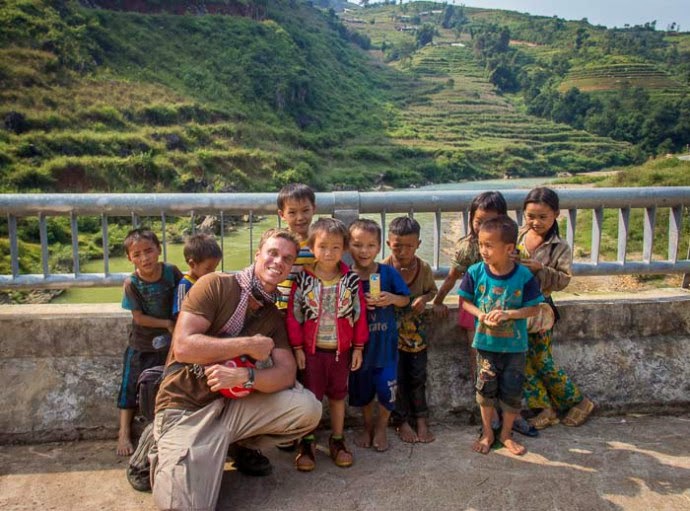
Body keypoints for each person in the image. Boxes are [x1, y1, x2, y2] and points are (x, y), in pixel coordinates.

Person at [150, 228, 322, 511]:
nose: (278, 262)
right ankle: (160, 445)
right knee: (185, 506)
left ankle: (234, 445)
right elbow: (183, 347)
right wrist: (248, 345)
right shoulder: (215, 285)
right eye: (272, 253)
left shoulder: (271, 314)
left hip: (233, 408)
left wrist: (247, 377)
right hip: (187, 407)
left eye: (287, 259)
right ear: (257, 255)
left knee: (308, 409)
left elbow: (286, 373)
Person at [287, 217, 368, 471]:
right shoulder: (303, 279)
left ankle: (337, 439)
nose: (329, 253)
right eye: (322, 246)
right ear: (312, 247)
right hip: (311, 352)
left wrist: (358, 347)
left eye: (335, 247)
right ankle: (307, 441)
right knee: (311, 398)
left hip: (340, 352)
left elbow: (359, 314)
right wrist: (297, 348)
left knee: (337, 396)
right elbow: (294, 315)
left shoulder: (351, 280)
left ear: (344, 249)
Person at [458, 216, 544, 456]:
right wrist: (480, 315)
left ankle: (506, 434)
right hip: (485, 344)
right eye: (481, 244)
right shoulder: (475, 272)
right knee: (485, 391)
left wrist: (509, 314)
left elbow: (534, 308)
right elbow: (465, 302)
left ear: (508, 248)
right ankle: (487, 432)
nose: (483, 250)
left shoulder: (523, 276)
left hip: (515, 347)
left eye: (489, 245)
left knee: (512, 392)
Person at [514, 187, 595, 429]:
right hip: (517, 307)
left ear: (556, 215)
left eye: (543, 217)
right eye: (531, 216)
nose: (536, 222)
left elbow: (563, 280)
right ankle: (544, 409)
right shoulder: (517, 236)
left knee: (542, 360)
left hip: (541, 310)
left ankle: (579, 401)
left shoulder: (559, 246)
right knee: (523, 360)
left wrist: (540, 269)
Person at [117, 228, 182, 456]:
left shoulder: (171, 272)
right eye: (137, 254)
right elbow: (138, 317)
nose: (144, 258)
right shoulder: (132, 283)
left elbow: (184, 295)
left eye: (149, 251)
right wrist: (167, 323)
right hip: (142, 344)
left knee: (168, 383)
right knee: (130, 387)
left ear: (159, 250)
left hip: (170, 343)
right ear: (129, 258)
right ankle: (124, 432)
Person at [348, 219, 410, 452]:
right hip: (358, 350)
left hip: (385, 346)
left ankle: (382, 427)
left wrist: (391, 298)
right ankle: (367, 426)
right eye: (357, 245)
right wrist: (357, 303)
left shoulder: (387, 273)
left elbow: (405, 299)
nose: (364, 251)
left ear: (379, 247)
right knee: (363, 392)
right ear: (347, 246)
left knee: (386, 389)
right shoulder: (346, 276)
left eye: (370, 245)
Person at [432, 191, 508, 383]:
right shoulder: (467, 247)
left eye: (491, 222)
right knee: (478, 353)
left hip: (501, 306)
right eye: (479, 222)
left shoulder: (509, 246)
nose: (483, 227)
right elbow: (452, 277)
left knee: (504, 354)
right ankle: (481, 392)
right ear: (471, 219)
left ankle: (502, 394)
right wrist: (438, 301)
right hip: (473, 306)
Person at [382, 216, 438, 444]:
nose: (403, 251)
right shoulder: (383, 269)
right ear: (388, 244)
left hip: (417, 336)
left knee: (417, 377)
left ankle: (421, 419)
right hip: (390, 337)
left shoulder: (423, 268)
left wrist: (424, 299)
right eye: (397, 246)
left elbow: (432, 291)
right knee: (396, 380)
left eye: (409, 246)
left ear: (418, 245)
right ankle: (401, 420)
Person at [275, 183, 316, 312]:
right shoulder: (277, 242)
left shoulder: (320, 243)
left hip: (311, 309)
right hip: (282, 308)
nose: (300, 218)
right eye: (292, 212)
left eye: (305, 211)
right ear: (282, 214)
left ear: (314, 209)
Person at [172, 233, 223, 319]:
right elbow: (179, 315)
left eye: (215, 267)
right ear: (192, 264)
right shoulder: (184, 286)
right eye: (208, 268)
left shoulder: (206, 281)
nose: (212, 272)